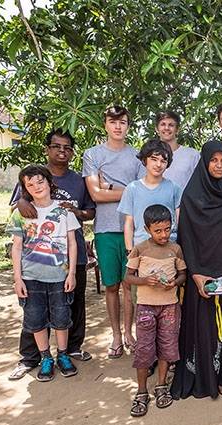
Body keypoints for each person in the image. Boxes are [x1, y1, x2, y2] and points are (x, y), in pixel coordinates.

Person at [8, 129, 96, 380]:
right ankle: (31, 357)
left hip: (70, 255)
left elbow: (90, 211)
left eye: (67, 147)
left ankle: (70, 350)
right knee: (34, 312)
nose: (62, 151)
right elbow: (16, 205)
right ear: (47, 148)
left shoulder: (78, 181)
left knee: (70, 306)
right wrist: (22, 203)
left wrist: (74, 212)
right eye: (57, 146)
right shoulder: (32, 176)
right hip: (34, 263)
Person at [171, 141, 222, 399]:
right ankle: (204, 377)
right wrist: (195, 274)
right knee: (203, 326)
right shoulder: (192, 195)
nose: (219, 165)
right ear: (205, 163)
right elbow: (187, 236)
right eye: (214, 160)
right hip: (202, 276)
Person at [82, 105, 145, 358]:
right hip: (106, 229)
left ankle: (129, 333)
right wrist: (126, 189)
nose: (118, 126)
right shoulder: (93, 154)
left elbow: (142, 191)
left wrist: (110, 186)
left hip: (133, 231)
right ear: (105, 124)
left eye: (123, 122)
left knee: (129, 287)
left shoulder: (137, 156)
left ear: (128, 126)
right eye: (113, 121)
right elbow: (96, 194)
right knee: (111, 285)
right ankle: (116, 336)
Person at [7, 165, 79, 382]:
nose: (36, 187)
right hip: (31, 278)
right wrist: (17, 278)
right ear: (25, 189)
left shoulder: (63, 210)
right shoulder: (21, 213)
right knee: (35, 319)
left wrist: (72, 273)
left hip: (60, 276)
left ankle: (63, 354)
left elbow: (72, 243)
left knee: (61, 318)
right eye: (30, 184)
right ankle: (45, 357)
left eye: (40, 181)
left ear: (49, 183)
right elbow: (17, 247)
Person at [124, 205, 187, 417]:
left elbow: (183, 275)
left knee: (167, 346)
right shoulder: (140, 249)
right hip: (145, 307)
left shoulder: (175, 249)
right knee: (144, 349)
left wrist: (175, 283)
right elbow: (128, 277)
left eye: (167, 229)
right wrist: (144, 280)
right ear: (147, 229)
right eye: (158, 230)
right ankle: (141, 391)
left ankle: (161, 386)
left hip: (170, 306)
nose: (163, 234)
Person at [118, 139, 182, 251]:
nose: (158, 164)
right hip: (142, 248)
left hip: (169, 248)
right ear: (144, 160)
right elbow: (129, 223)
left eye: (163, 161)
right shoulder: (132, 188)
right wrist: (130, 251)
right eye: (154, 159)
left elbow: (179, 221)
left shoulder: (174, 188)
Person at [155, 110, 201, 191]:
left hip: (184, 203)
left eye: (171, 125)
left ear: (177, 129)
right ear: (156, 129)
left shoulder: (192, 155)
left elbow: (200, 184)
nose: (166, 128)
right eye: (163, 124)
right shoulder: (149, 157)